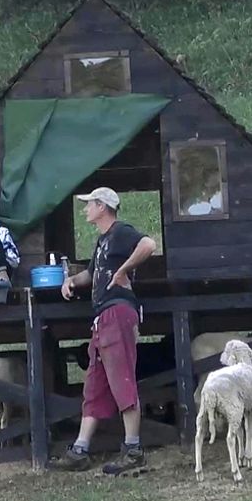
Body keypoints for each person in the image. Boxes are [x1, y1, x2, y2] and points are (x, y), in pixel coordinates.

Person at [49, 187, 157, 476]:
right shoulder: (102, 241)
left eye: (89, 204)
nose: (85, 209)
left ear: (102, 207)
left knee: (122, 379)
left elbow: (148, 245)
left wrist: (123, 271)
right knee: (95, 385)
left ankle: (133, 450)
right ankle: (80, 450)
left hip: (117, 312)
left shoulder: (120, 231)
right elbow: (91, 273)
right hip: (102, 318)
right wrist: (72, 280)